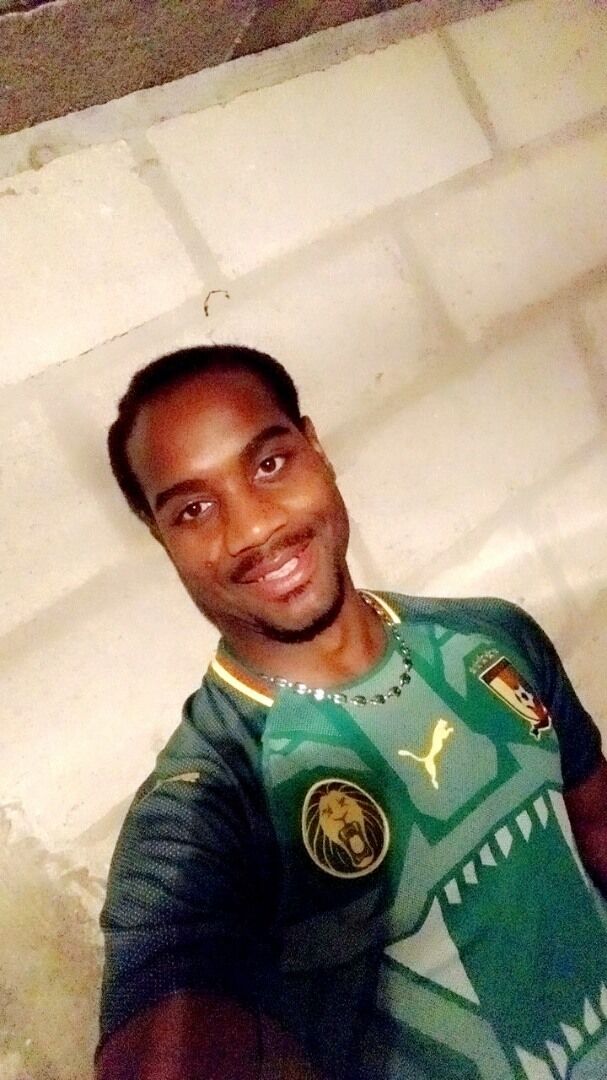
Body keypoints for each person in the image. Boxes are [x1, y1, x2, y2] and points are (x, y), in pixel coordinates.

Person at [97, 345, 607, 1080]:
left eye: (269, 464)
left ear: (316, 448)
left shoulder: (491, 636)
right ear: (160, 535)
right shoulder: (208, 802)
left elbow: (595, 825)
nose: (252, 529)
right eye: (193, 509)